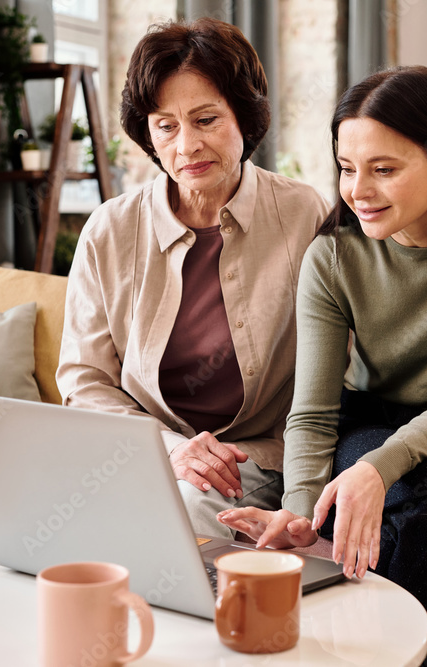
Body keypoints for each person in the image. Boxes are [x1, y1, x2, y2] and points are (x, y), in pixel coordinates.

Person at [219, 65, 427, 665]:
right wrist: (299, 510)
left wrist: (377, 472)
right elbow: (315, 410)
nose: (358, 190)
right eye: (347, 168)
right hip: (368, 429)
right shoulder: (331, 256)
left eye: (384, 169)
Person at [57, 19, 328, 538]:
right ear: (148, 134)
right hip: (142, 452)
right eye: (166, 126)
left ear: (243, 119)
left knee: (184, 510)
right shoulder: (110, 230)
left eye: (206, 119)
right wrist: (172, 448)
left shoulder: (301, 214)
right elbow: (83, 379)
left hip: (254, 456)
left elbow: (337, 362)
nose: (187, 145)